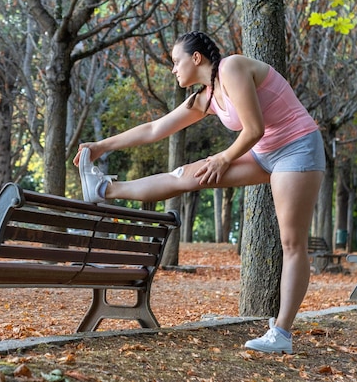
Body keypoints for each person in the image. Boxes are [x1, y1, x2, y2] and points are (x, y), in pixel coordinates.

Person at [73, 31, 325, 354]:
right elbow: (154, 129)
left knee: (292, 242)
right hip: (263, 152)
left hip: (297, 148)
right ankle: (104, 189)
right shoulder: (206, 97)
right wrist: (100, 147)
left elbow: (255, 128)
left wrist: (223, 158)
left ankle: (282, 334)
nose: (173, 69)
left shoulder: (232, 68)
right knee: (187, 176)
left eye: (176, 61)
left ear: (196, 58)